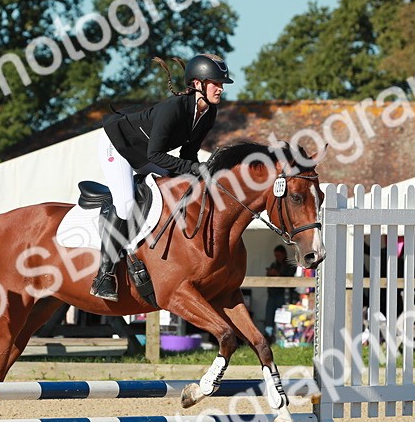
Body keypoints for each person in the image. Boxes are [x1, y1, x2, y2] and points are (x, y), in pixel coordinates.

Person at [90, 53, 233, 300]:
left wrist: (200, 177)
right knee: (125, 203)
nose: (220, 89)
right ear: (198, 84)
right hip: (119, 146)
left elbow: (189, 153)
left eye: (221, 84)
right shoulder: (173, 109)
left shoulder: (208, 113)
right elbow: (155, 154)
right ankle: (104, 275)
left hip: (145, 154)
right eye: (216, 83)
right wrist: (193, 169)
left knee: (179, 187)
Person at [263, 244, 298, 337]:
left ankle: (282, 336)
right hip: (272, 295)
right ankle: (269, 336)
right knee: (269, 317)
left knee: (282, 316)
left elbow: (290, 278)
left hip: (284, 295)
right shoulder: (274, 264)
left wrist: (277, 273)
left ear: (284, 254)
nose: (277, 258)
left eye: (278, 255)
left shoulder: (290, 265)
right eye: (276, 256)